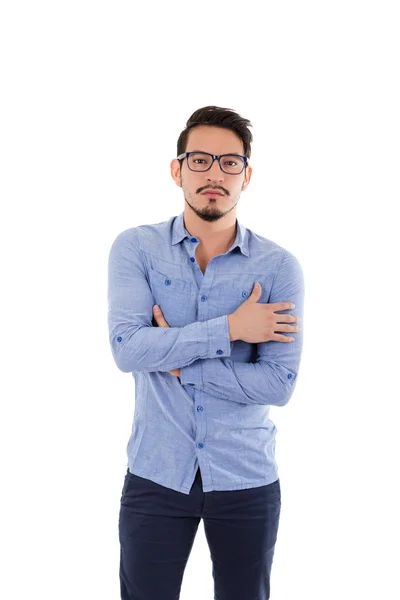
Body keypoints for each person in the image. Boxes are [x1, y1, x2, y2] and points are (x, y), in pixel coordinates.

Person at [107, 105, 304, 600]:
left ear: (247, 176)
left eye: (229, 162)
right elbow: (128, 349)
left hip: (246, 476)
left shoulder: (279, 267)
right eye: (199, 160)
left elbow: (278, 384)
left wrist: (176, 361)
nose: (215, 174)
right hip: (156, 473)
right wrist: (232, 329)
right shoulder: (136, 249)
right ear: (177, 170)